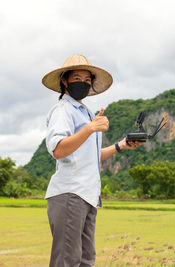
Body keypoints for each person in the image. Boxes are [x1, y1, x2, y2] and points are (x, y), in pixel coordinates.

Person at [42, 55, 141, 267]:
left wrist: (119, 145)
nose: (83, 83)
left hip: (87, 195)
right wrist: (90, 128)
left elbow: (89, 156)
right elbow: (58, 149)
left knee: (86, 260)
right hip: (70, 193)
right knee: (67, 261)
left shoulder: (85, 112)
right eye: (77, 78)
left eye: (88, 80)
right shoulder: (63, 110)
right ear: (64, 81)